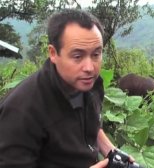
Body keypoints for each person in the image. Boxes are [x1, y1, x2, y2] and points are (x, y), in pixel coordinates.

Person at [0, 9, 123, 168]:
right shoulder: (21, 110)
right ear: (53, 53)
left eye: (96, 54)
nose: (89, 68)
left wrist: (112, 152)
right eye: (77, 56)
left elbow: (92, 124)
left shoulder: (92, 84)